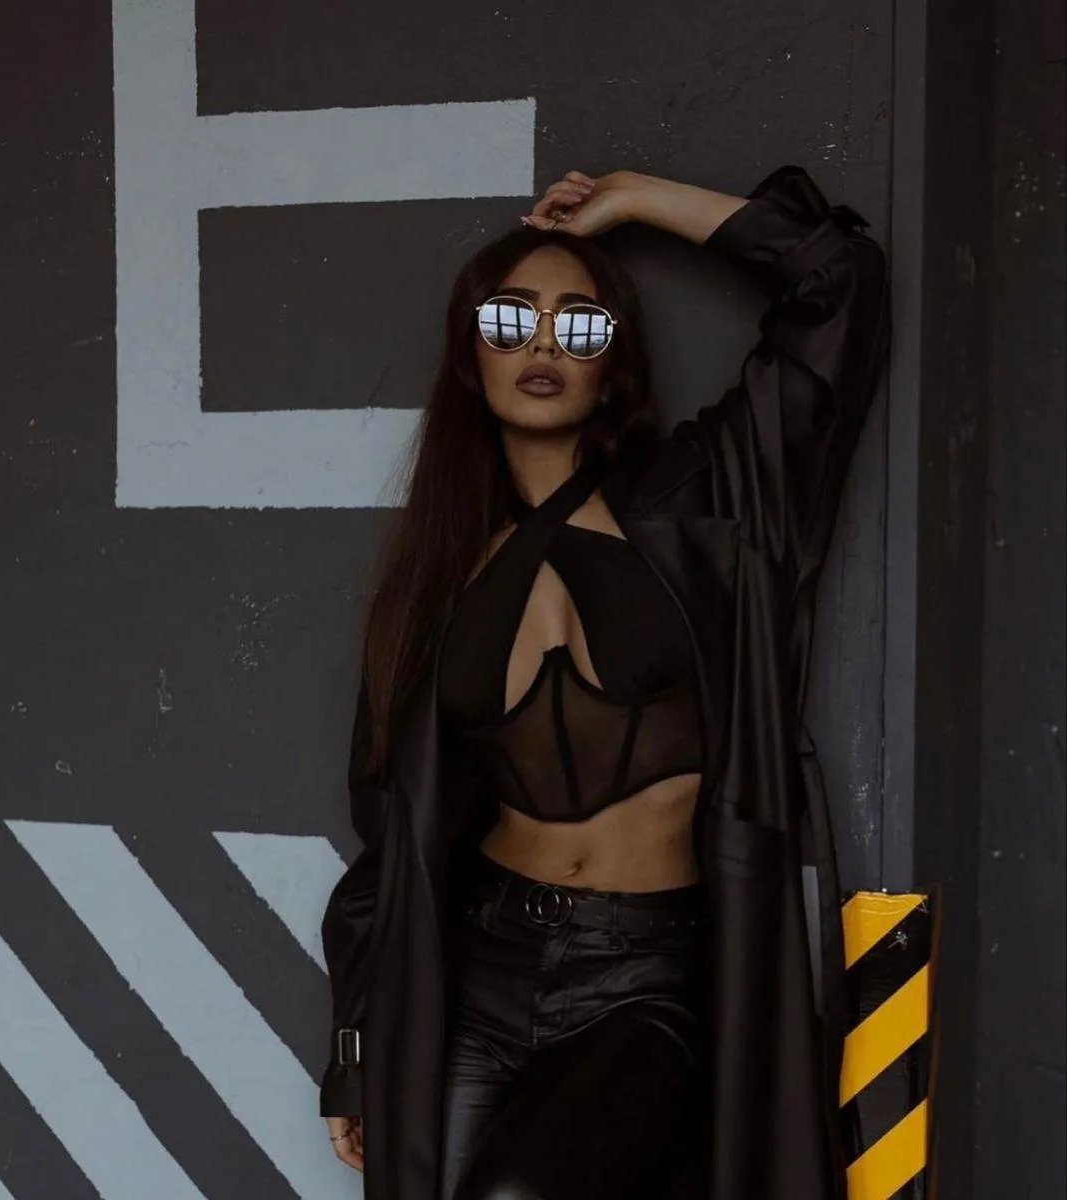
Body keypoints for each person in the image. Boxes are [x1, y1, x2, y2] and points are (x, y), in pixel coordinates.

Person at [319, 164, 890, 1200]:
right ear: (469, 354)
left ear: (611, 366)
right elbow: (386, 839)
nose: (543, 344)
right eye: (512, 318)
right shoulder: (436, 574)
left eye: (579, 325)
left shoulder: (704, 502)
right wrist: (355, 1052)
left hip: (645, 984)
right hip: (474, 970)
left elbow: (836, 287)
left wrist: (634, 201)